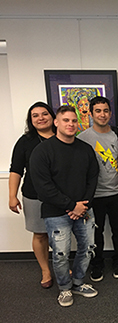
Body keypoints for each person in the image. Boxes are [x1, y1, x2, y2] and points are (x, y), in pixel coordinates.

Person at [30, 105, 99, 307]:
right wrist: (71, 206)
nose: (71, 124)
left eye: (74, 121)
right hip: (56, 212)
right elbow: (43, 188)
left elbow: (93, 178)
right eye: (66, 120)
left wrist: (83, 206)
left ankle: (78, 282)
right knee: (61, 254)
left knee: (87, 249)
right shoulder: (42, 151)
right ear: (56, 122)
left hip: (84, 210)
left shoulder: (85, 149)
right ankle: (65, 288)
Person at [78, 96, 118, 281]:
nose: (102, 114)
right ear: (91, 113)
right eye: (98, 111)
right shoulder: (82, 139)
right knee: (95, 233)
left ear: (110, 113)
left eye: (106, 110)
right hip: (94, 196)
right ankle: (97, 263)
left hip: (117, 192)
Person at [9, 102, 56, 289]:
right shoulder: (25, 141)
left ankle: (61, 266)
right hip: (34, 195)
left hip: (60, 196)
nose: (41, 118)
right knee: (40, 234)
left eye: (44, 114)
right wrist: (12, 196)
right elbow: (16, 170)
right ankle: (45, 270)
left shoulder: (64, 137)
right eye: (35, 115)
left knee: (61, 233)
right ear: (31, 120)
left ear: (52, 117)